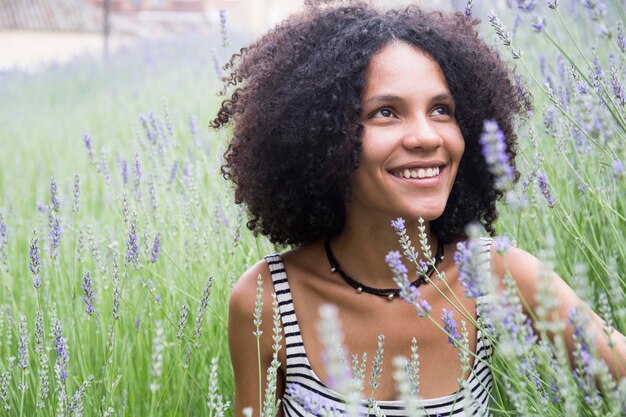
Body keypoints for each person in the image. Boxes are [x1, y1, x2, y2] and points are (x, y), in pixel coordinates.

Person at [212, 2, 626, 416]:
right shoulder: (267, 300)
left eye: (441, 110)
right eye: (386, 112)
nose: (427, 136)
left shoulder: (495, 276)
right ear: (322, 138)